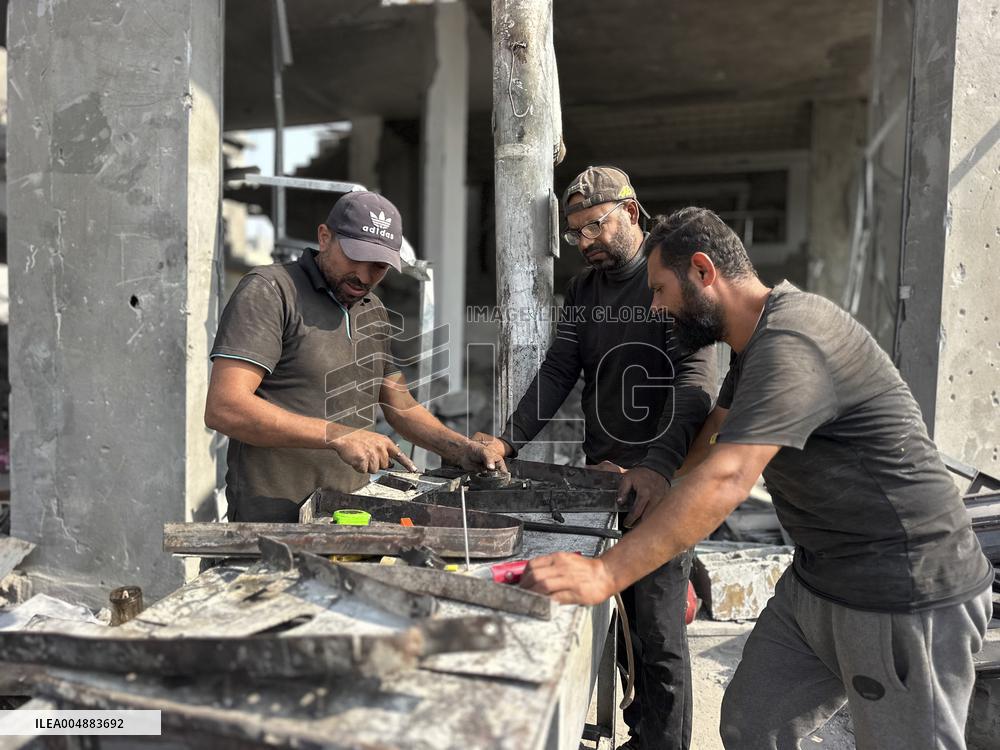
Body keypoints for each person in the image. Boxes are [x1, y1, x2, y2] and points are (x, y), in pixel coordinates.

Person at [522, 207, 994, 749]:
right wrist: (655, 476)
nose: (654, 307)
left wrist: (605, 574)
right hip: (819, 580)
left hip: (904, 587)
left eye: (658, 290)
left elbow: (728, 477)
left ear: (703, 271)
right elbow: (716, 435)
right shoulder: (752, 347)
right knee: (753, 725)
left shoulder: (796, 336)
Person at [476, 167, 716, 750]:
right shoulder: (586, 290)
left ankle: (663, 744)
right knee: (622, 622)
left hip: (664, 479)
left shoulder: (669, 279)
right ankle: (635, 733)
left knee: (659, 631)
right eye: (576, 233)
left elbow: (696, 385)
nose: (585, 243)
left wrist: (655, 467)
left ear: (631, 212)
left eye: (595, 227)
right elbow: (560, 368)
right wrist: (507, 441)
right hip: (605, 478)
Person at [205, 191, 500, 522]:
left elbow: (399, 406)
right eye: (354, 256)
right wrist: (337, 434)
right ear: (325, 237)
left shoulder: (372, 310)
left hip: (349, 515)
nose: (363, 275)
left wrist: (459, 449)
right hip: (271, 521)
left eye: (378, 266)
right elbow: (224, 407)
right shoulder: (272, 291)